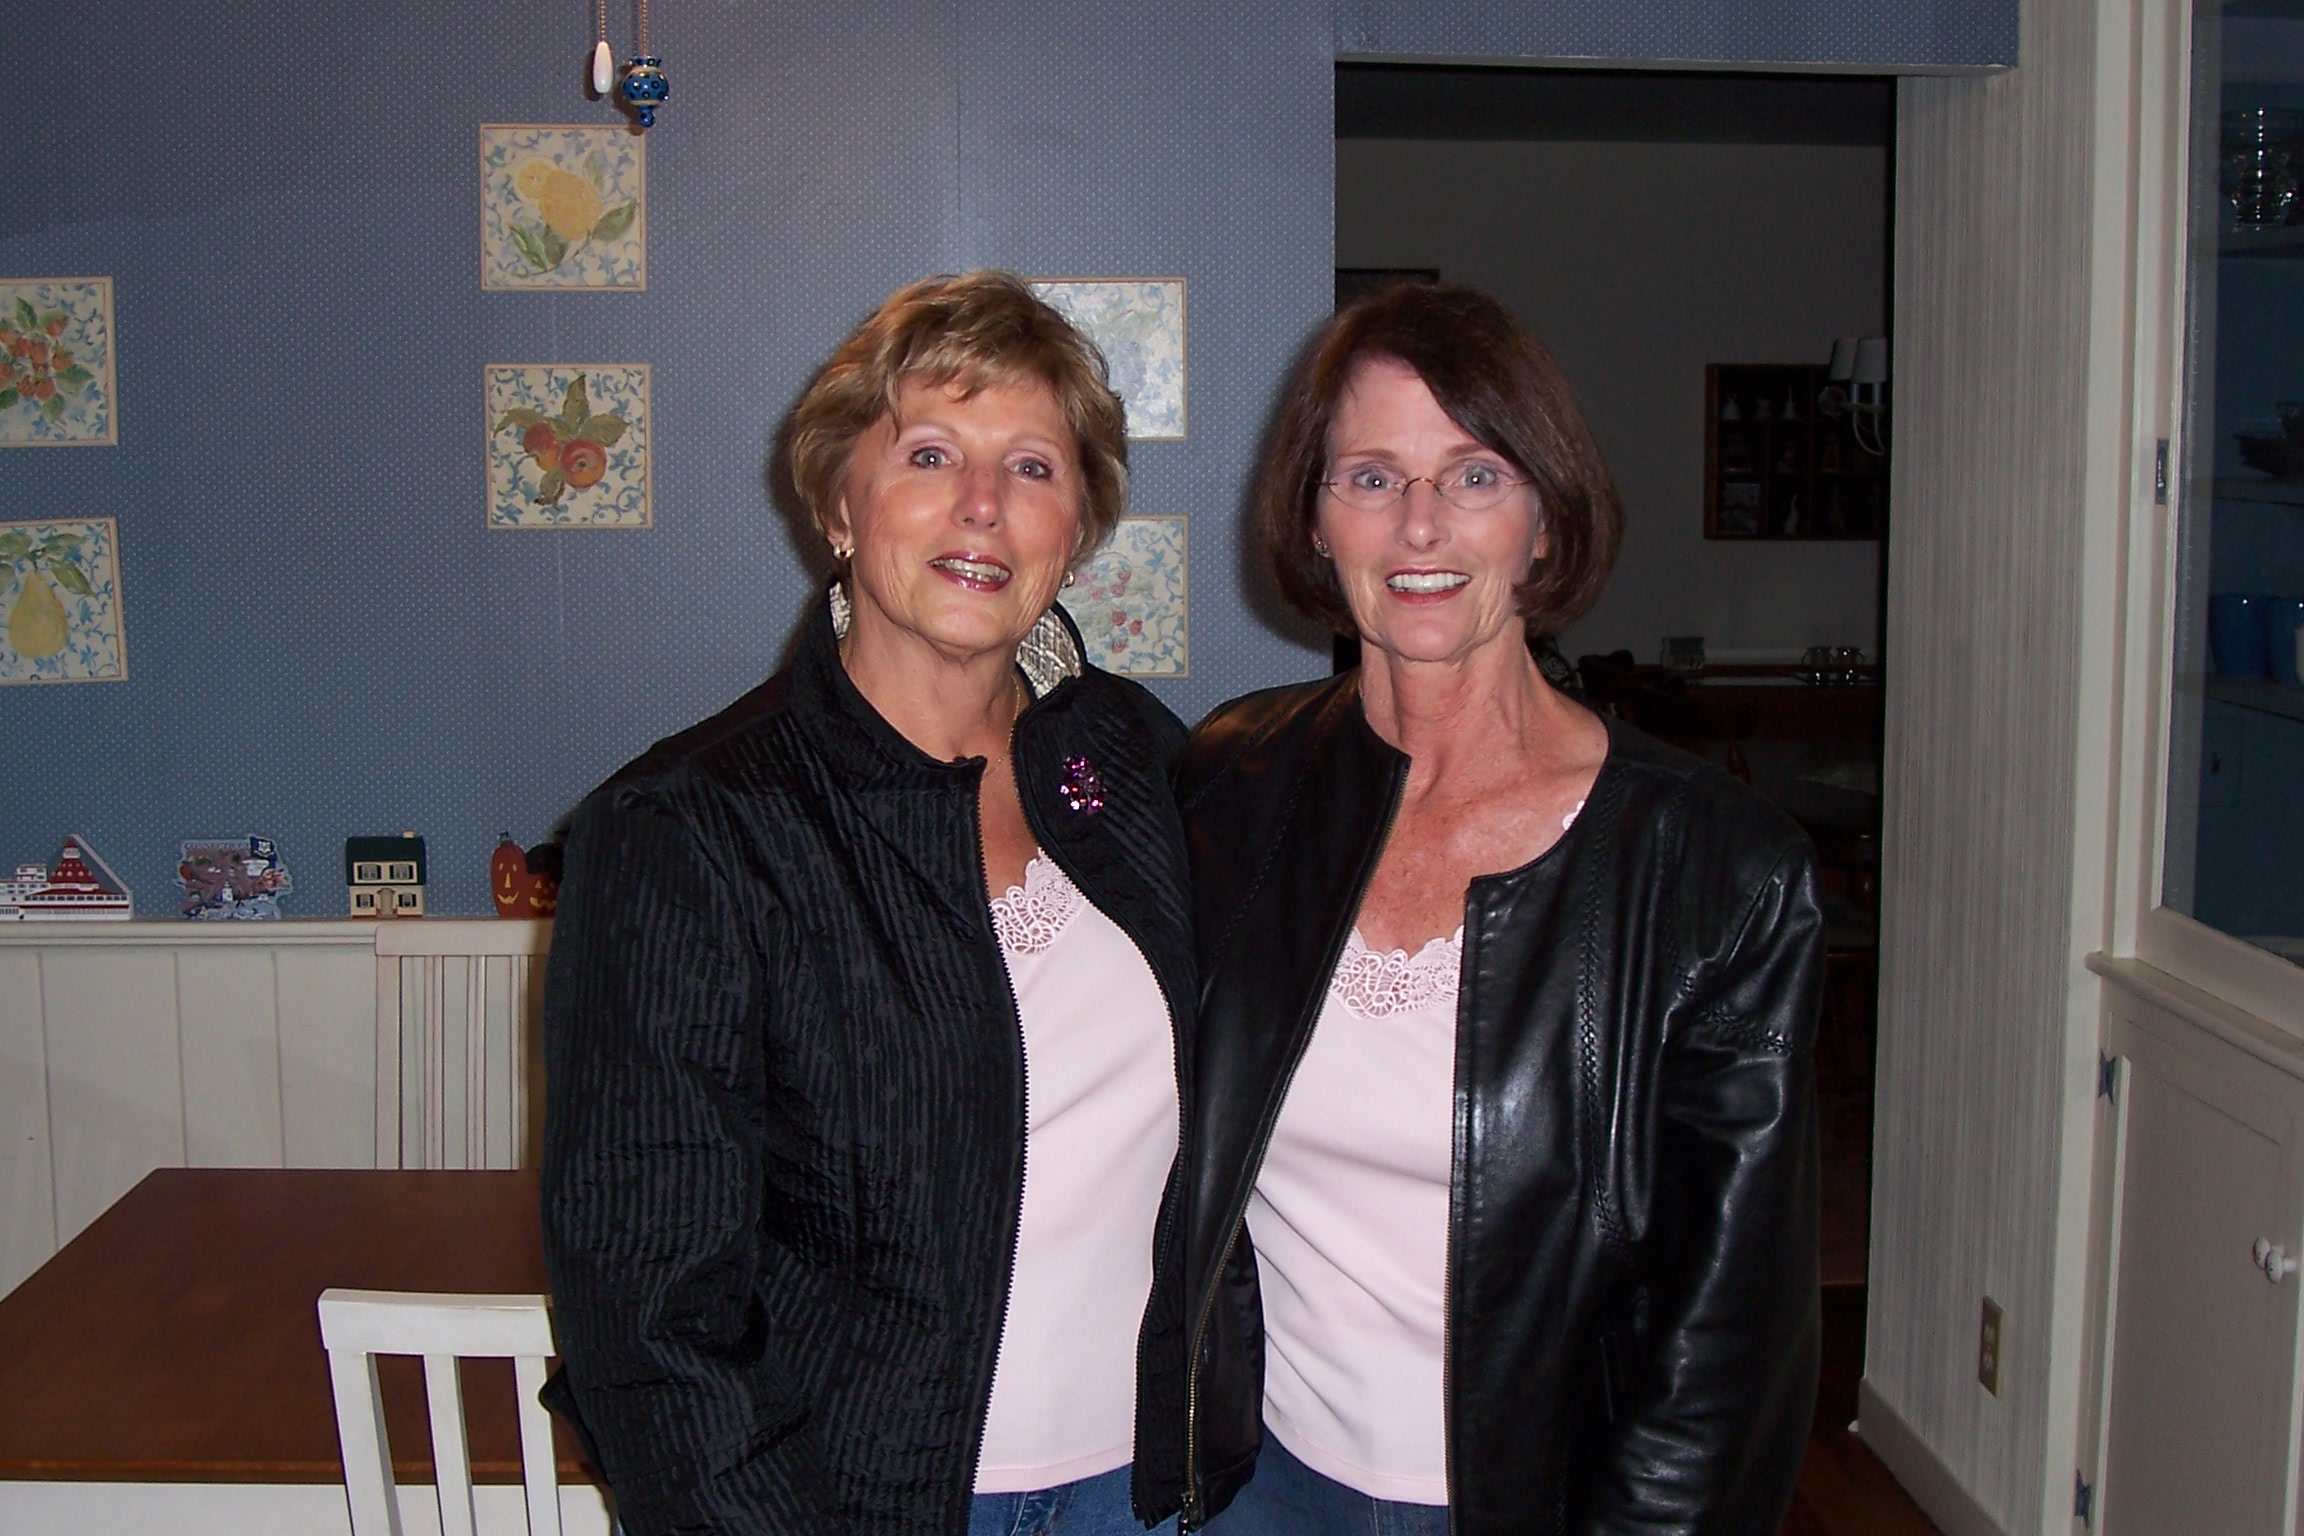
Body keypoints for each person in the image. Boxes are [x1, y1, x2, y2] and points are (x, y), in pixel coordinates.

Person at [1136, 282, 1823, 1534]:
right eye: (1371, 477)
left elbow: (1728, 1341)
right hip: (1256, 1490)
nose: (1420, 526)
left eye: (1475, 475)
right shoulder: (1231, 786)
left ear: (1546, 521)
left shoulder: (1716, 868)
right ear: (1314, 519)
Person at [540, 271, 1194, 1536]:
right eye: (930, 454)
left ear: (1076, 531)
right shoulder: (689, 830)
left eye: (1033, 467)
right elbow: (648, 1318)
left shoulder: (1139, 765)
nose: (982, 504)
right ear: (840, 504)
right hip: (861, 1504)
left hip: (1156, 1491)